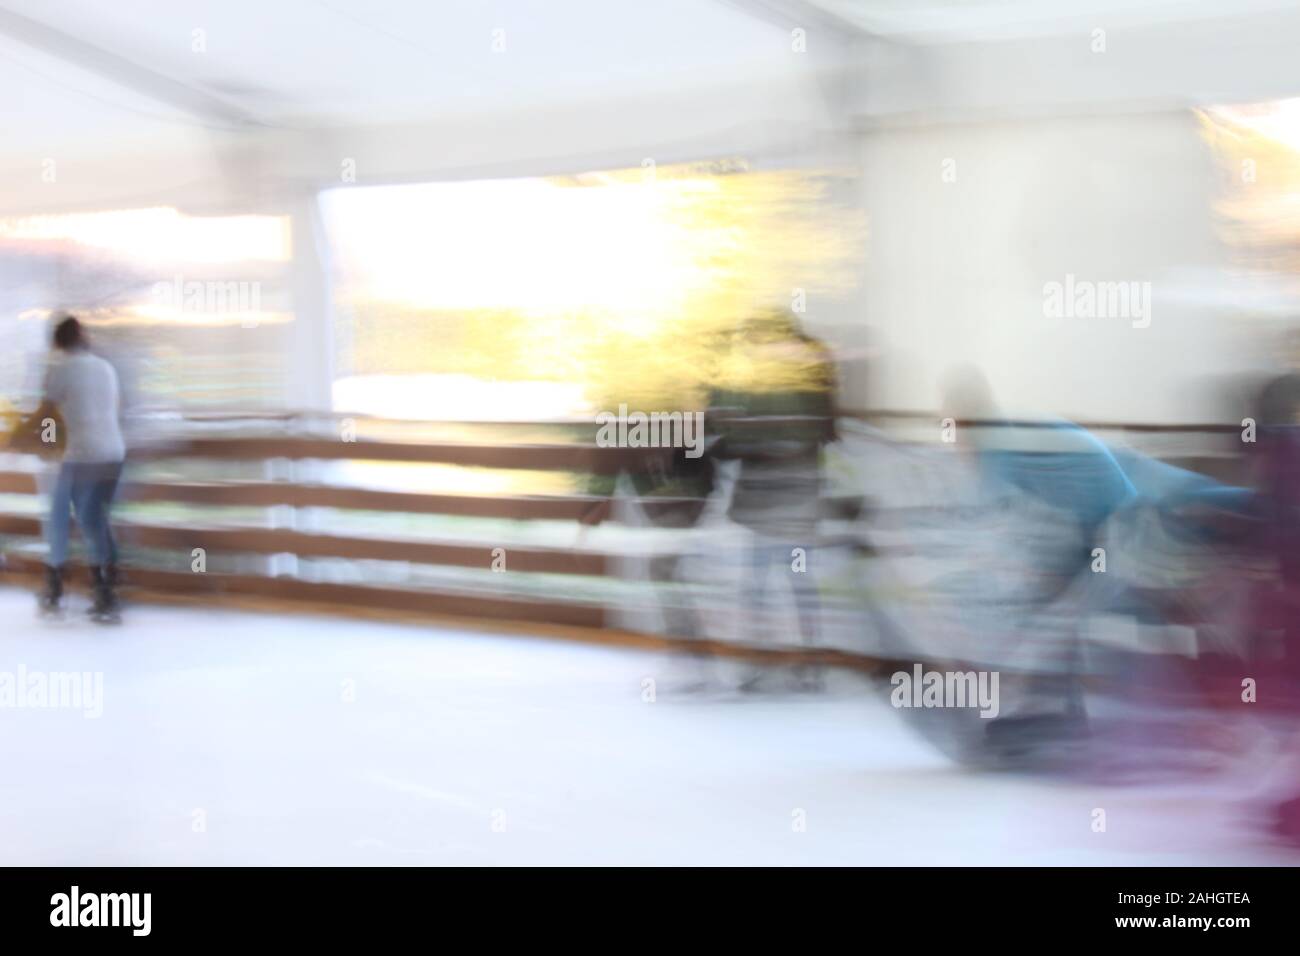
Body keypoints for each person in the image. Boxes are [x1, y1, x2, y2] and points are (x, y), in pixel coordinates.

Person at [37, 314, 126, 621]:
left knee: (60, 516)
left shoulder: (60, 370)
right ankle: (107, 584)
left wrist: (47, 444)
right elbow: (113, 409)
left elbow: (46, 416)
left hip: (81, 455)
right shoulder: (105, 367)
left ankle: (58, 587)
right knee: (94, 517)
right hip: (113, 451)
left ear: (58, 342)